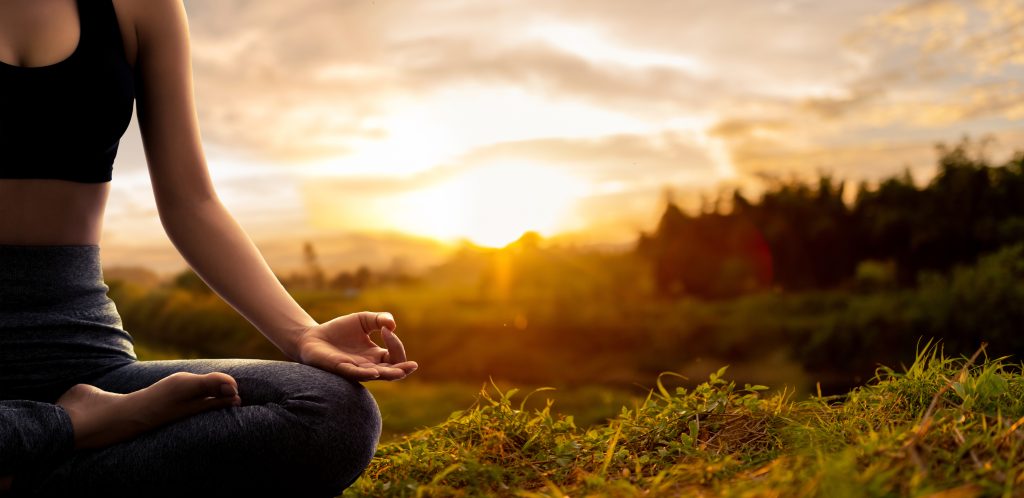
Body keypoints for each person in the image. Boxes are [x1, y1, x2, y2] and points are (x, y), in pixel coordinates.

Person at [0, 0, 418, 496]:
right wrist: (72, 428)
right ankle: (72, 430)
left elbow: (191, 202)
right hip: (93, 412)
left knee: (328, 410)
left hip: (85, 357)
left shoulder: (140, 8)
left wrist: (302, 334)